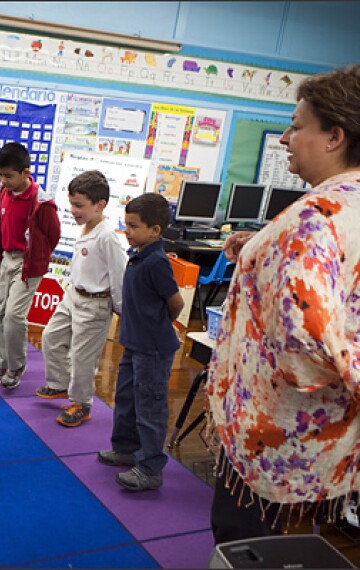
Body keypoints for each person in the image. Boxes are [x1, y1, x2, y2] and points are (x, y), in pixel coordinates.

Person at [207, 65, 360, 542]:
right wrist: (261, 247)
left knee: (247, 543)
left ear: (334, 136)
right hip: (333, 438)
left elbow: (304, 335)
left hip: (281, 432)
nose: (284, 139)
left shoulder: (314, 214)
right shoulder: (345, 205)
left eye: (297, 126)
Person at [97, 192, 184, 492]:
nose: (127, 231)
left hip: (153, 348)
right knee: (126, 398)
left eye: (133, 226)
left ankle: (149, 467)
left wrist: (157, 325)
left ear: (155, 231)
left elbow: (176, 303)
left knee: (150, 406)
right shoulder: (138, 254)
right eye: (126, 225)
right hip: (133, 343)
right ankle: (125, 448)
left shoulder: (157, 262)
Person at [36, 170, 126, 427]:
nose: (73, 211)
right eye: (72, 204)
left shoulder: (107, 236)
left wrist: (120, 310)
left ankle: (82, 403)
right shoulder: (88, 226)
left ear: (100, 205)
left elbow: (118, 276)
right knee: (51, 337)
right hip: (73, 295)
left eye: (79, 206)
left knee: (82, 357)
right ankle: (60, 383)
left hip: (95, 303)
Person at [0, 142, 60, 389]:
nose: (4, 181)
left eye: (9, 176)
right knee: (1, 314)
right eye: (0, 175)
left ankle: (16, 366)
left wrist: (35, 258)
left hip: (28, 264)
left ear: (26, 172)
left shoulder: (41, 201)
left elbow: (53, 235)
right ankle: (3, 363)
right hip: (6, 258)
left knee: (14, 316)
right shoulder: (4, 193)